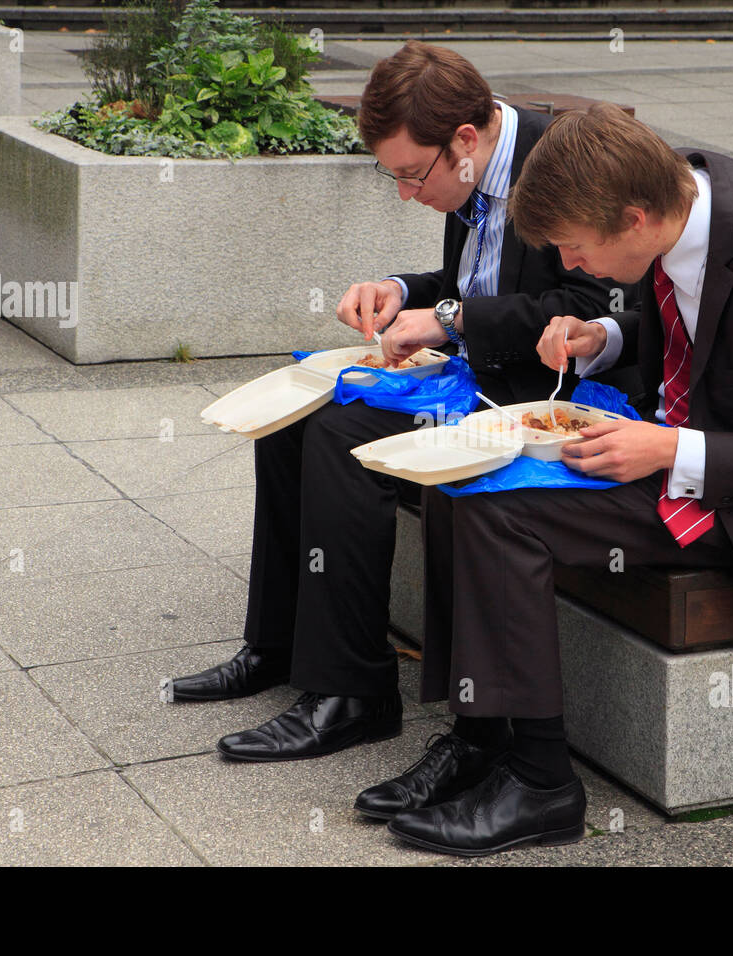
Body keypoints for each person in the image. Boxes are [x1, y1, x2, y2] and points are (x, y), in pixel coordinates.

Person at [378, 104, 733, 856]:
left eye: (574, 247)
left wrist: (667, 450)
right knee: (460, 479)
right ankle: (479, 739)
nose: (569, 267)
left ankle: (541, 786)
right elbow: (680, 325)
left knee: (501, 518)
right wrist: (606, 335)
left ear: (633, 220)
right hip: (675, 442)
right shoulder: (679, 193)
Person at [164, 43, 632, 784]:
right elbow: (466, 279)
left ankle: (353, 690)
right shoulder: (472, 170)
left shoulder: (556, 161)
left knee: (342, 433)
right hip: (476, 373)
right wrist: (400, 290)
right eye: (397, 178)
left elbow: (594, 302)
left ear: (467, 141)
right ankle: (279, 645)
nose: (409, 194)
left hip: (546, 397)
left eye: (415, 174)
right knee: (295, 413)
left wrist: (448, 320)